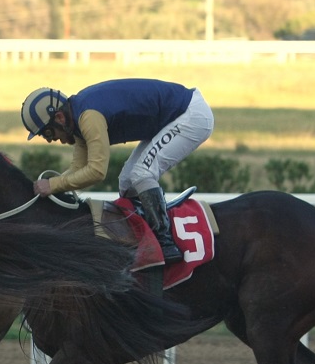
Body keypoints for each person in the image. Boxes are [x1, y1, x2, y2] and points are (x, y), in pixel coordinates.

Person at [19, 78, 214, 264]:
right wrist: (50, 191)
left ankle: (165, 243)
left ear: (60, 117)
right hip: (171, 119)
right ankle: (144, 232)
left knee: (142, 174)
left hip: (190, 115)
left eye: (49, 133)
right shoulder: (76, 119)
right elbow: (77, 169)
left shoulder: (88, 117)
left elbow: (96, 171)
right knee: (127, 183)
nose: (55, 140)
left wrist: (52, 185)